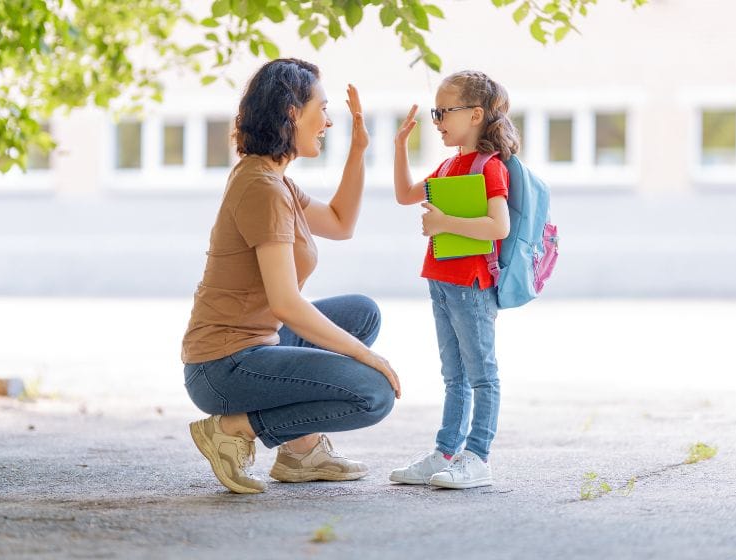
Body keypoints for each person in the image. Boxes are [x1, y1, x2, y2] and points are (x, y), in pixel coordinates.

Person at [182, 58, 400, 494]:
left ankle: (300, 453)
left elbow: (340, 222)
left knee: (362, 313)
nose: (329, 121)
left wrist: (359, 151)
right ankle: (234, 428)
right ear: (291, 113)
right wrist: (366, 357)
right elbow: (286, 303)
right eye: (322, 107)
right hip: (223, 367)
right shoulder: (263, 188)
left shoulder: (273, 179)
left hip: (258, 345)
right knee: (372, 393)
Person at [389, 70, 519, 489]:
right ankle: (446, 452)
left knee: (481, 373)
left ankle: (477, 457)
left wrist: (445, 221)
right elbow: (405, 194)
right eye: (436, 112)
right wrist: (399, 147)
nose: (437, 120)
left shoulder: (489, 167)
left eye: (444, 111)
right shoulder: (448, 164)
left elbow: (497, 227)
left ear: (476, 115)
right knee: (453, 374)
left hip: (472, 283)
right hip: (442, 279)